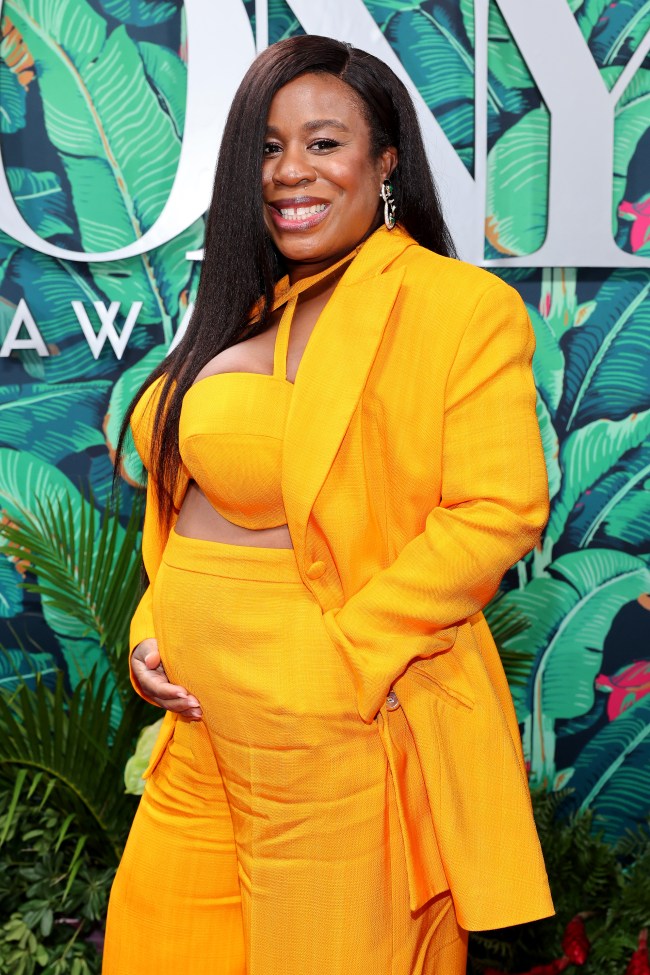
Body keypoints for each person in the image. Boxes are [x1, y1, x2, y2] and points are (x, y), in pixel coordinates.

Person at [103, 34, 554, 975]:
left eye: (322, 142)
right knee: (159, 947)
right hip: (197, 730)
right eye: (267, 147)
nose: (288, 172)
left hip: (331, 731)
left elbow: (497, 509)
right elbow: (187, 504)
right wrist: (152, 630)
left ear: (385, 162)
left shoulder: (455, 307)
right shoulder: (254, 300)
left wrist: (343, 657)